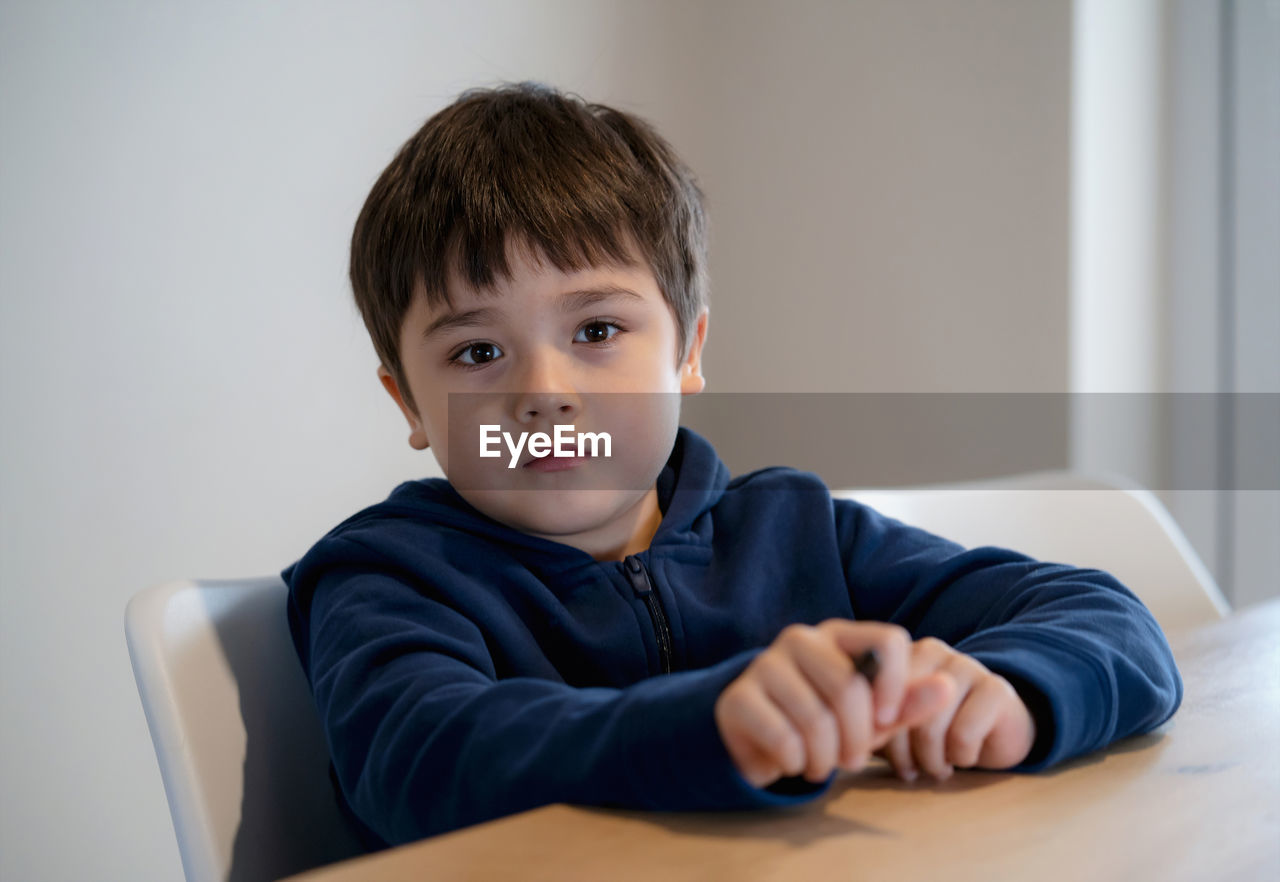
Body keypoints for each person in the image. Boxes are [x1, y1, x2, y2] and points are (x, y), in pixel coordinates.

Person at [282, 82, 1182, 851]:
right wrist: (707, 725)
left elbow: (1105, 619)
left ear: (686, 354)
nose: (543, 393)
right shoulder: (385, 578)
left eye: (597, 331)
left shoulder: (794, 530)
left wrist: (1014, 690)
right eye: (478, 354)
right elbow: (420, 758)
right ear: (407, 403)